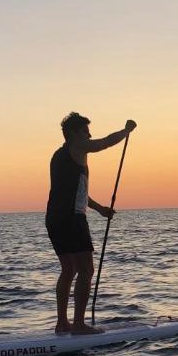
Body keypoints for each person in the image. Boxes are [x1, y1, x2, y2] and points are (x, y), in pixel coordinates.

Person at [46, 112, 137, 335]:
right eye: (86, 131)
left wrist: (101, 210)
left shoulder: (58, 156)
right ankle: (78, 325)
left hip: (54, 218)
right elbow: (104, 143)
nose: (89, 134)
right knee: (86, 269)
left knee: (69, 270)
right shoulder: (77, 148)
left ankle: (62, 324)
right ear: (75, 134)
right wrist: (126, 132)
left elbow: (78, 192)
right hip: (71, 219)